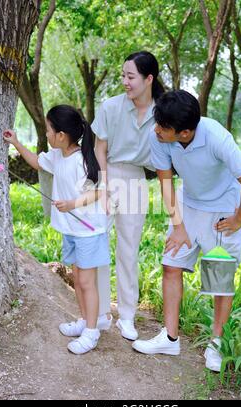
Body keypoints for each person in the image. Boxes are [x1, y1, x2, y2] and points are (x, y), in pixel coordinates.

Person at [132, 90, 241, 371]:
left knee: (218, 276)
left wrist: (239, 219)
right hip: (188, 205)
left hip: (222, 209)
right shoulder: (160, 137)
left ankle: (216, 343)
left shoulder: (216, 137)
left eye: (163, 128)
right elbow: (165, 182)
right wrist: (178, 226)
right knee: (171, 264)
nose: (156, 130)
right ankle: (169, 337)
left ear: (185, 132)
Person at [4, 105, 110, 355]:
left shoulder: (82, 160)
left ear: (61, 135)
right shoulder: (57, 156)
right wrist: (16, 143)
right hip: (71, 230)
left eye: (49, 130)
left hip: (89, 231)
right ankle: (85, 321)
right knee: (77, 279)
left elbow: (97, 192)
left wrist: (72, 203)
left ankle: (92, 332)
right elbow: (37, 163)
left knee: (86, 282)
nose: (47, 134)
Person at [92, 51, 164, 340]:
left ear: (149, 79)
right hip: (106, 175)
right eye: (123, 75)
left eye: (130, 76)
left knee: (128, 251)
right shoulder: (110, 107)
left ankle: (127, 316)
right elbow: (99, 148)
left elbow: (164, 157)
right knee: (96, 242)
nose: (124, 81)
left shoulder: (161, 113)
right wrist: (104, 184)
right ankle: (98, 313)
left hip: (136, 180)